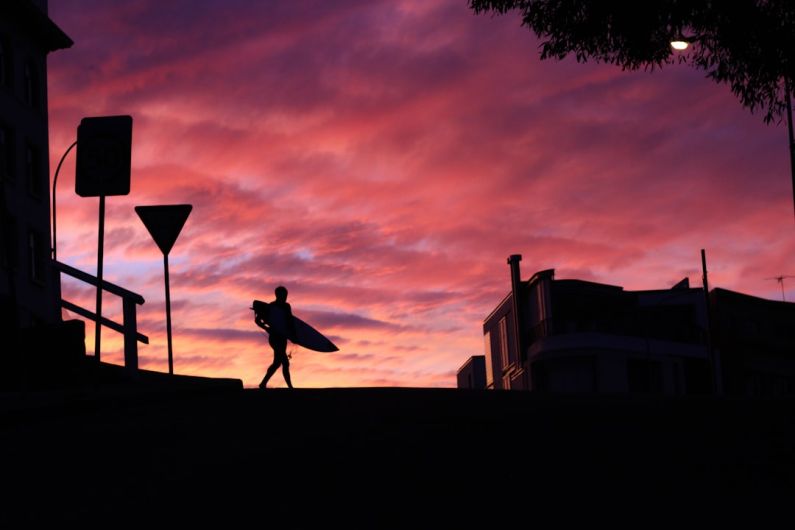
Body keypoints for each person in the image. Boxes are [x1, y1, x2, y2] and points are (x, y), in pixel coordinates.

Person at [256, 285, 296, 389]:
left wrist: (294, 336)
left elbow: (290, 321)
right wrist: (266, 328)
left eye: (286, 295)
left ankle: (263, 383)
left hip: (283, 338)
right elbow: (257, 320)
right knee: (285, 363)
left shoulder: (287, 306)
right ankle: (290, 387)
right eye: (283, 295)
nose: (285, 297)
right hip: (274, 338)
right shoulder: (271, 306)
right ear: (277, 295)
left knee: (277, 363)